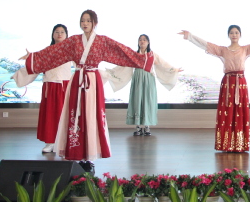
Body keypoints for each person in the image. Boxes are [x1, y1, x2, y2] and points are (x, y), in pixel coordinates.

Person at [20, 10, 153, 171]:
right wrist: (34, 57)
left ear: (94, 23)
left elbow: (120, 51)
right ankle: (75, 153)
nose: (85, 23)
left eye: (88, 21)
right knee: (75, 116)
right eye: (83, 20)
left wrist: (142, 59)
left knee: (91, 116)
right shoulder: (74, 41)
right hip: (77, 81)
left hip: (92, 81)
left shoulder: (102, 41)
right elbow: (54, 52)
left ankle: (90, 155)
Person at [178, 24, 250, 152]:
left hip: (240, 83)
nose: (234, 35)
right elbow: (205, 45)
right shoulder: (223, 50)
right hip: (227, 83)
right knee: (227, 111)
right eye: (232, 33)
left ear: (240, 35)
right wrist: (189, 36)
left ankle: (240, 144)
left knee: (240, 112)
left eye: (236, 32)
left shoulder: (245, 49)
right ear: (228, 35)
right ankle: (226, 144)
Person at [12, 24, 73, 153]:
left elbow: (82, 64)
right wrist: (20, 73)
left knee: (64, 115)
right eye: (57, 32)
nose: (59, 34)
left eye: (62, 32)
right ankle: (50, 142)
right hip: (49, 86)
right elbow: (36, 65)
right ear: (53, 35)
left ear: (66, 35)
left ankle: (65, 143)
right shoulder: (47, 51)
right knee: (50, 114)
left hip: (65, 86)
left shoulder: (71, 51)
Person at [105, 34, 182, 136]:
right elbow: (124, 65)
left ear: (148, 42)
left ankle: (147, 126)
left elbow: (163, 64)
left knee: (147, 100)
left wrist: (174, 69)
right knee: (137, 100)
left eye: (144, 40)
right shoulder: (134, 54)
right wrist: (111, 72)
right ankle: (137, 126)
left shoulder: (152, 55)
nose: (142, 41)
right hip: (137, 78)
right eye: (140, 40)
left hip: (148, 79)